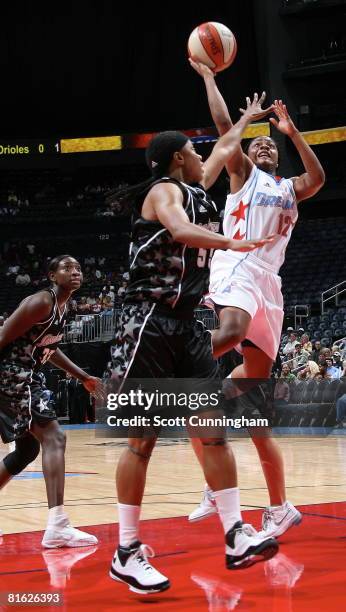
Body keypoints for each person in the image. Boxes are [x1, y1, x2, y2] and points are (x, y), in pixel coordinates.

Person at [110, 116, 279, 593]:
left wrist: (239, 114)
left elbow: (226, 144)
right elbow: (181, 231)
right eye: (194, 150)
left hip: (185, 326)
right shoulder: (163, 192)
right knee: (141, 441)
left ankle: (235, 534)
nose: (204, 156)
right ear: (178, 159)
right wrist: (230, 240)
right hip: (147, 323)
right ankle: (126, 552)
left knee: (215, 434)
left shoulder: (198, 188)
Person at [188, 59, 325, 538]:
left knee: (256, 381)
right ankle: (180, 369)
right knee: (231, 332)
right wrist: (210, 79)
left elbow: (319, 178)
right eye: (259, 141)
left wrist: (291, 132)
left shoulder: (288, 188)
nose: (263, 145)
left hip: (271, 283)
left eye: (271, 144)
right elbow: (226, 127)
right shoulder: (243, 175)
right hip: (239, 263)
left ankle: (277, 507)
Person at [0, 255, 102, 548]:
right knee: (54, 437)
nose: (75, 272)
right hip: (13, 376)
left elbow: (50, 349)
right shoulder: (40, 302)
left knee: (26, 451)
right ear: (52, 276)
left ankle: (58, 525)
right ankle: (58, 525)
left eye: (79, 268)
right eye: (67, 268)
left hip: (27, 375)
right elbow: (4, 337)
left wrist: (83, 376)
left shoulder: (63, 307)